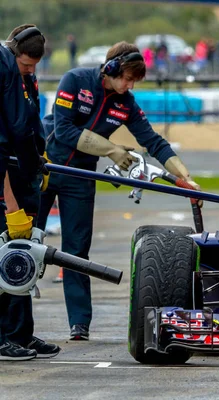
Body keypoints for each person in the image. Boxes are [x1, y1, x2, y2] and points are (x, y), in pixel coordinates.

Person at [36, 41, 202, 341]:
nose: (127, 86)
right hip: (46, 166)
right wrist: (112, 150)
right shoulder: (75, 80)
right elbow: (64, 130)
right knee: (25, 245)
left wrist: (185, 176)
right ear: (109, 68)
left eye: (133, 81)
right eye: (125, 77)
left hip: (81, 177)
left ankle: (79, 324)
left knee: (76, 251)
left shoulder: (126, 103)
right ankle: (13, 329)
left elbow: (154, 142)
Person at [0, 24, 60, 360]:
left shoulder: (25, 77)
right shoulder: (6, 69)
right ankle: (2, 337)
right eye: (26, 64)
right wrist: (10, 205)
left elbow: (30, 126)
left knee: (23, 257)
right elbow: (13, 134)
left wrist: (39, 162)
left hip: (27, 174)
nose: (29, 71)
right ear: (14, 53)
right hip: (10, 176)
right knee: (5, 257)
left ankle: (21, 333)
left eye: (34, 66)